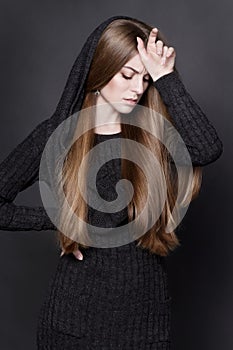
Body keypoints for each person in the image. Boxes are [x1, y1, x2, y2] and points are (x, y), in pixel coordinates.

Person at [0, 15, 223, 349]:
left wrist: (166, 78)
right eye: (127, 75)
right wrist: (63, 219)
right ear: (100, 70)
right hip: (71, 321)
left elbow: (207, 148)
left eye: (146, 79)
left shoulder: (154, 136)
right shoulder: (58, 135)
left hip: (144, 322)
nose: (138, 88)